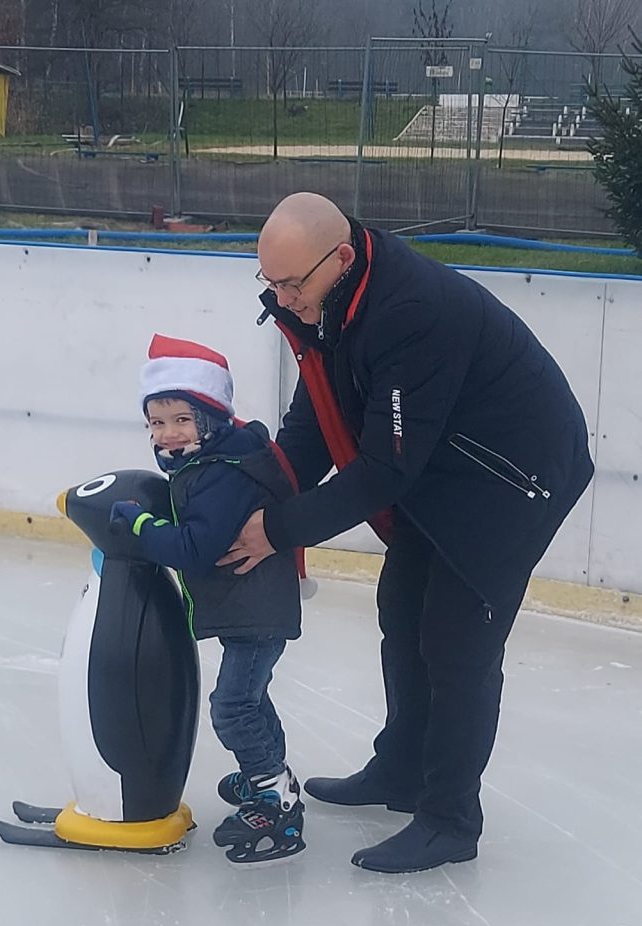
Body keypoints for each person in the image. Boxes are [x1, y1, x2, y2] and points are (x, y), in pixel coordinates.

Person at [218, 192, 595, 874]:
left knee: (456, 642)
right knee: (401, 610)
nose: (279, 298)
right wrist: (236, 493)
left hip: (513, 477)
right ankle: (400, 770)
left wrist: (277, 528)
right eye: (266, 282)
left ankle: (450, 818)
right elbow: (313, 428)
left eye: (290, 284)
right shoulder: (330, 303)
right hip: (442, 463)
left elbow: (382, 471)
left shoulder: (408, 312)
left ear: (337, 259)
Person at [109, 333, 306, 864]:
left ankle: (275, 799)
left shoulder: (221, 473)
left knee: (233, 706)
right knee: (249, 700)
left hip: (257, 611)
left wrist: (141, 523)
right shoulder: (212, 462)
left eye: (181, 420)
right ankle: (270, 776)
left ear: (210, 419)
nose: (167, 434)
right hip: (253, 606)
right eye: (157, 422)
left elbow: (195, 548)